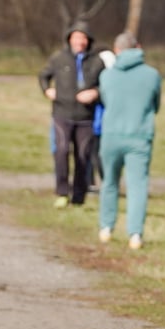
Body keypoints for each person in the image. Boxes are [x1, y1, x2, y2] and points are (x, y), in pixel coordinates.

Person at [98, 32, 161, 250]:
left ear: (116, 50)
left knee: (109, 182)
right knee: (137, 185)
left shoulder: (106, 76)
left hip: (111, 135)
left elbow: (105, 100)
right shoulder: (152, 75)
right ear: (138, 47)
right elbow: (156, 104)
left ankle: (106, 228)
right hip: (139, 136)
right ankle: (135, 234)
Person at [38, 21, 103, 208]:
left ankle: (79, 196)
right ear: (69, 39)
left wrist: (95, 93)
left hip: (86, 116)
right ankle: (62, 191)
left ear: (88, 40)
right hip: (62, 113)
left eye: (83, 38)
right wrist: (47, 90)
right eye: (76, 37)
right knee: (61, 150)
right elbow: (43, 75)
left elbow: (106, 84)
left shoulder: (97, 61)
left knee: (83, 156)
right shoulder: (59, 58)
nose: (79, 42)